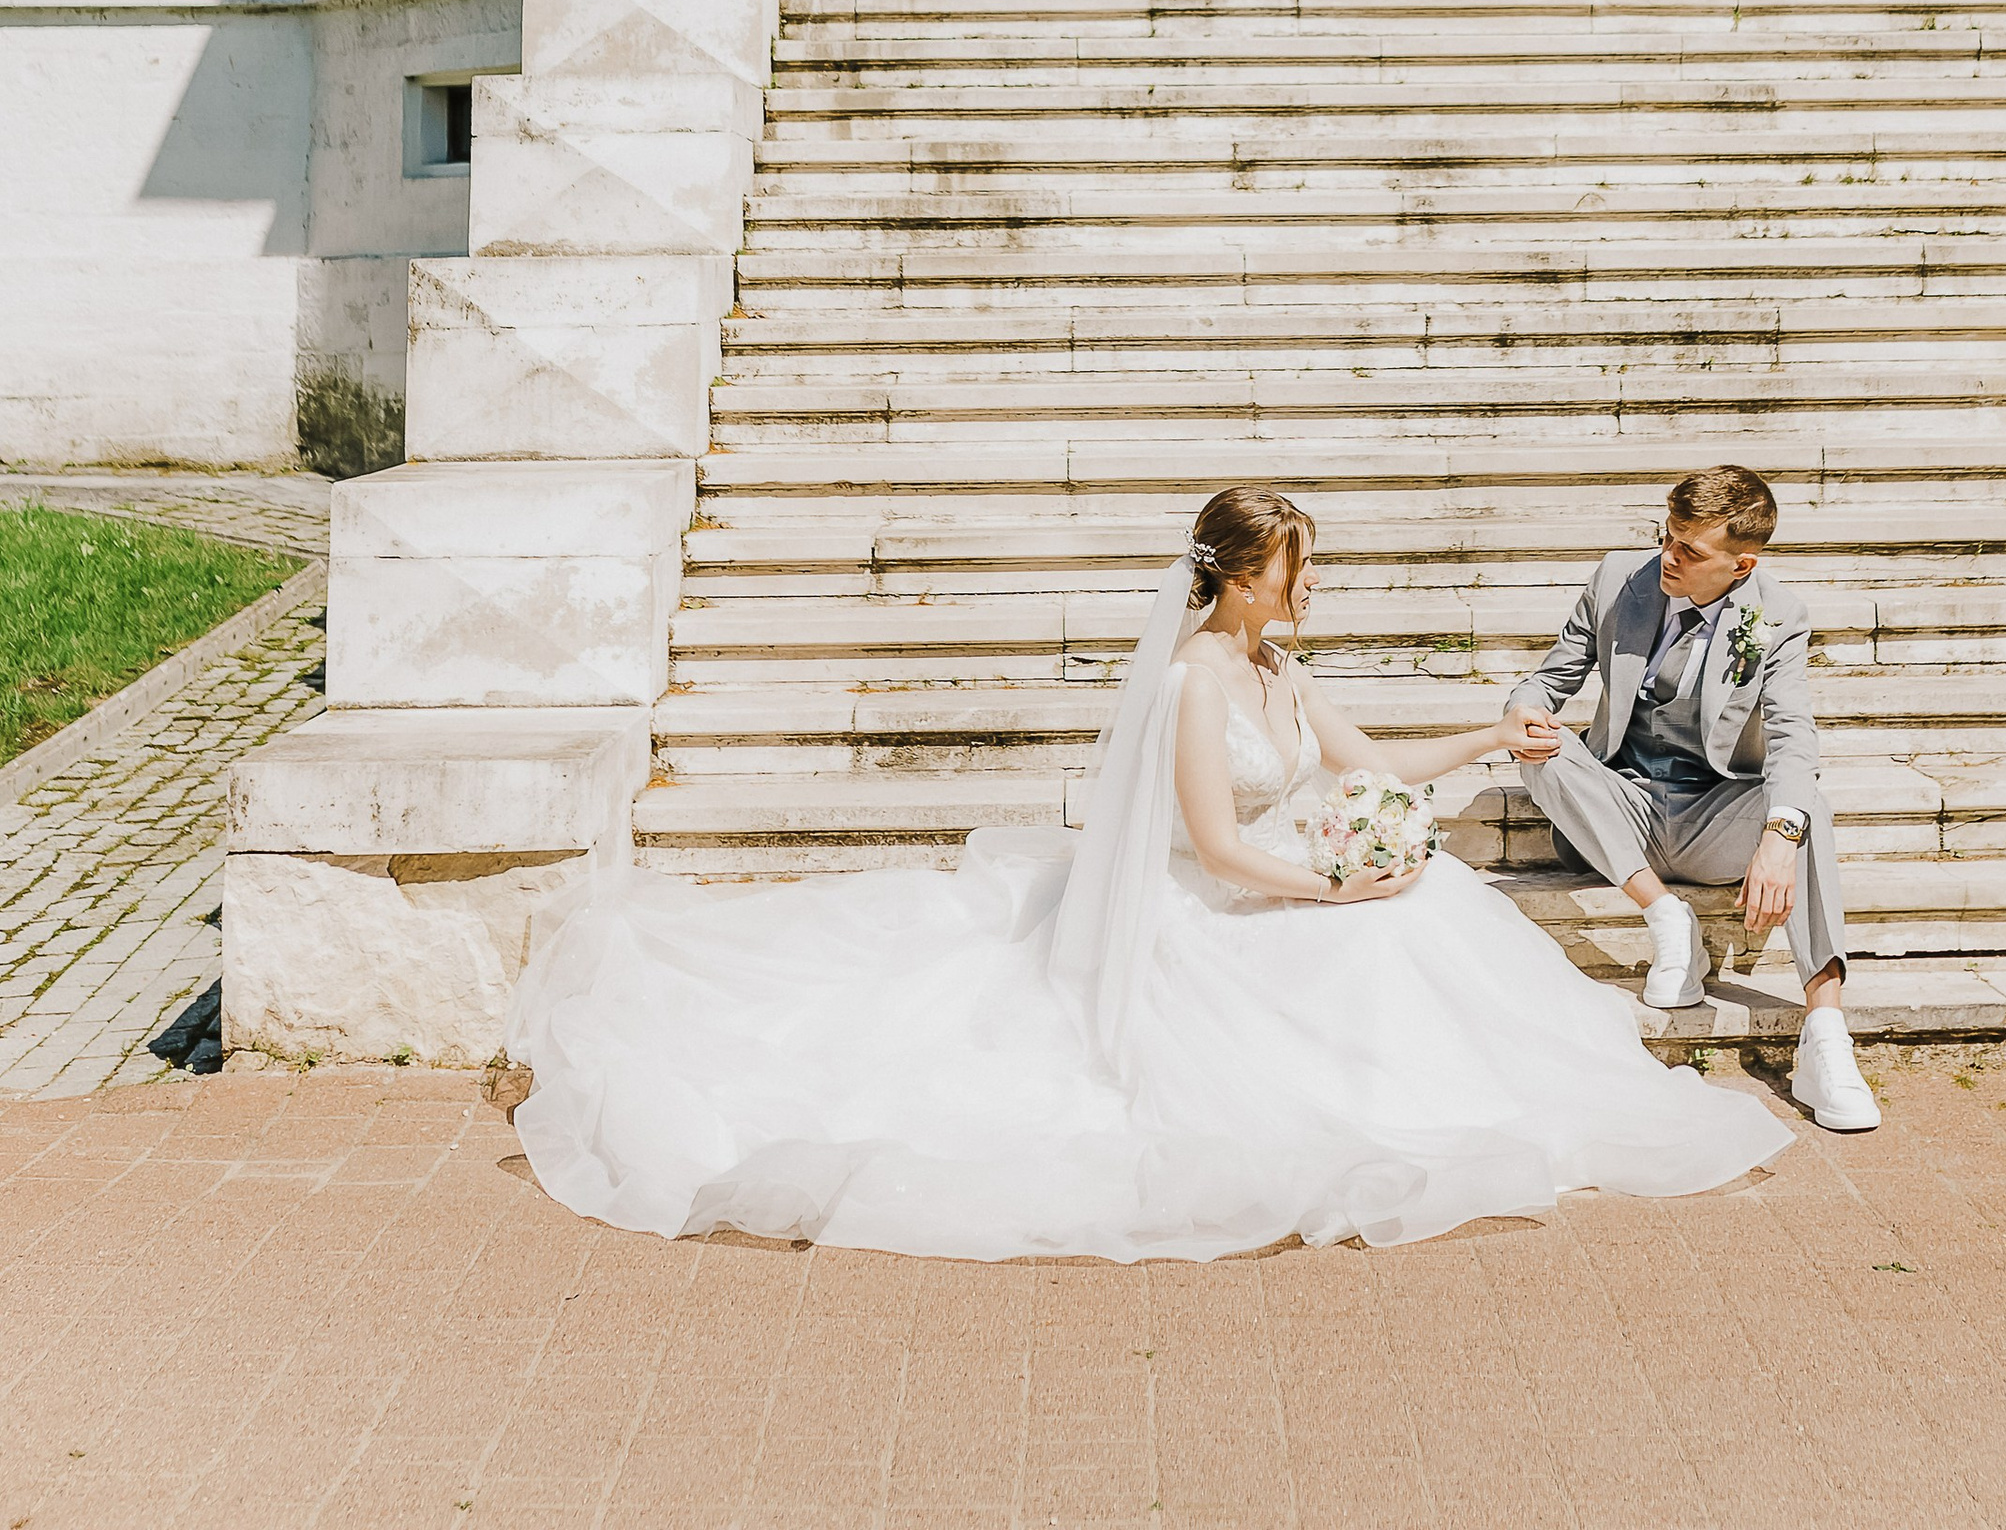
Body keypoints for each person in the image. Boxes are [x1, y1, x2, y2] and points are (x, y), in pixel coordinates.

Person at [504, 482, 1791, 1257]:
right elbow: (1222, 849)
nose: (1311, 585)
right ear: (1240, 579)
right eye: (1296, 569)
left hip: (1283, 880)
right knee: (1373, 927)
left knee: (1421, 913)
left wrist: (1494, 734)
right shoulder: (1189, 684)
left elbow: (1368, 761)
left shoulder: (1279, 669)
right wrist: (1334, 887)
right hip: (1206, 910)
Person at [1507, 465, 1882, 1133]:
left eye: (1690, 550)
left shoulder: (1777, 615)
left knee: (1808, 808)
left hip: (1714, 814)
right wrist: (1525, 710)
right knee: (1544, 748)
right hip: (1622, 810)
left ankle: (1825, 1035)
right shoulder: (1619, 580)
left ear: (1741, 565)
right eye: (1667, 535)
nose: (1668, 556)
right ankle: (1665, 914)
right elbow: (1551, 676)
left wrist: (1779, 837)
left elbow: (1796, 737)